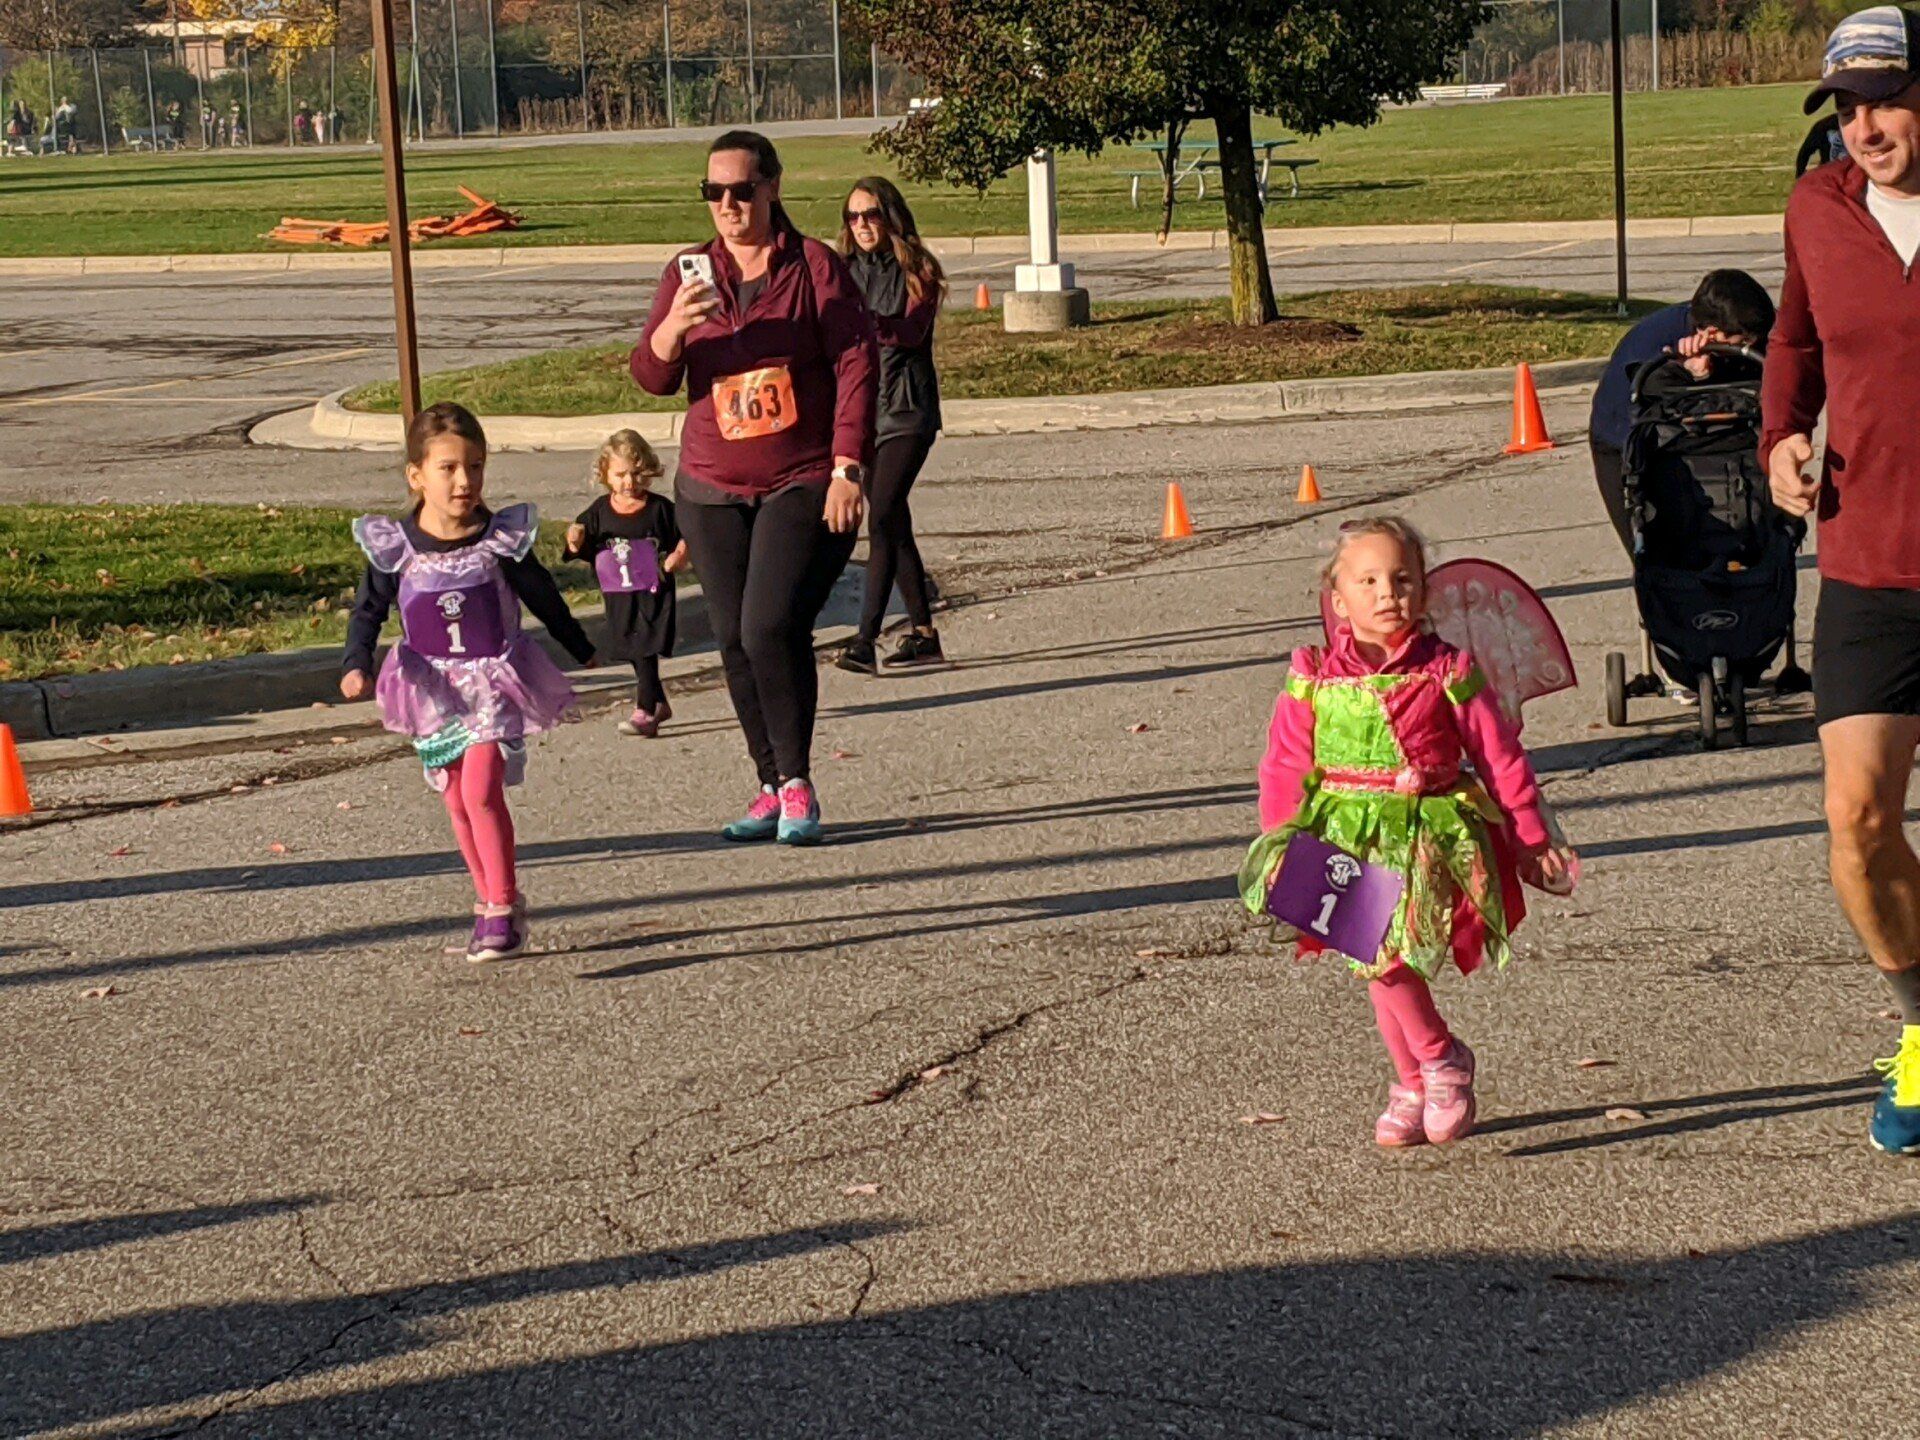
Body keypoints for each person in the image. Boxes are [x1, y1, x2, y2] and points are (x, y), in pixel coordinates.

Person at [1237, 518, 1573, 1147]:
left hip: (1423, 833)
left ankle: (1439, 1061)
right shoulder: (1312, 676)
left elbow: (1499, 756)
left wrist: (1529, 835)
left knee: (1386, 955)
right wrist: (1280, 840)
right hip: (1339, 833)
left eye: (1403, 579)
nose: (1387, 592)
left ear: (1424, 591)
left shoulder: (1447, 671)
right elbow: (1284, 763)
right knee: (1371, 961)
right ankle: (1417, 1076)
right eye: (1367, 581)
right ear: (1338, 600)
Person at [1764, 5, 1920, 1156]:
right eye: (1849, 107)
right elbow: (1798, 343)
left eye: (1887, 99)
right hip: (1869, 554)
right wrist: (1781, 432)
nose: (1866, 125)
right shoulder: (1818, 210)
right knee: (1857, 820)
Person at [631, 129, 877, 846]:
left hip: (798, 478)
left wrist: (847, 466)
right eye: (714, 193)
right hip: (710, 485)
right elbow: (651, 377)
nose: (728, 205)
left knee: (771, 626)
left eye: (742, 190)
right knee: (734, 639)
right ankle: (767, 783)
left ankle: (799, 782)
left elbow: (858, 365)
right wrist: (674, 328)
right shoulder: (689, 274)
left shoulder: (815, 268)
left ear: (772, 188)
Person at [340, 402, 595, 961]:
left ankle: (503, 908)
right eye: (449, 468)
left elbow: (543, 594)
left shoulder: (499, 539)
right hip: (431, 690)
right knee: (456, 801)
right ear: (416, 475)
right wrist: (355, 663)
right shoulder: (395, 547)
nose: (464, 481)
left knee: (481, 791)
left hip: (494, 682)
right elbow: (368, 611)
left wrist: (580, 645)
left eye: (475, 467)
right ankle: (486, 902)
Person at [833, 175, 946, 676]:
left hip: (908, 409)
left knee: (880, 517)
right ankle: (923, 634)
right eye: (853, 217)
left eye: (871, 214)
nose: (861, 225)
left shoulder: (917, 268)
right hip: (865, 412)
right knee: (894, 520)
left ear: (891, 216)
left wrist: (860, 324)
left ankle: (864, 638)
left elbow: (909, 331)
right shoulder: (841, 273)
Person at [1586, 269, 1776, 553]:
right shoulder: (1654, 344)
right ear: (1712, 334)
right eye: (1746, 342)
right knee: (1658, 555)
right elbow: (1653, 403)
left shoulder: (1742, 327)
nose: (1755, 346)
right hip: (1623, 439)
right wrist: (1691, 375)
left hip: (1699, 442)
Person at [564, 430, 687, 738]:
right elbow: (581, 543)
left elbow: (687, 534)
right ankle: (659, 703)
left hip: (652, 590)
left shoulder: (660, 509)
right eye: (620, 475)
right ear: (605, 474)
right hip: (618, 592)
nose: (629, 482)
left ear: (648, 470)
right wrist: (576, 540)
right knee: (631, 645)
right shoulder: (600, 511)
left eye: (635, 474)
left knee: (644, 643)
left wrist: (678, 556)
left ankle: (644, 709)